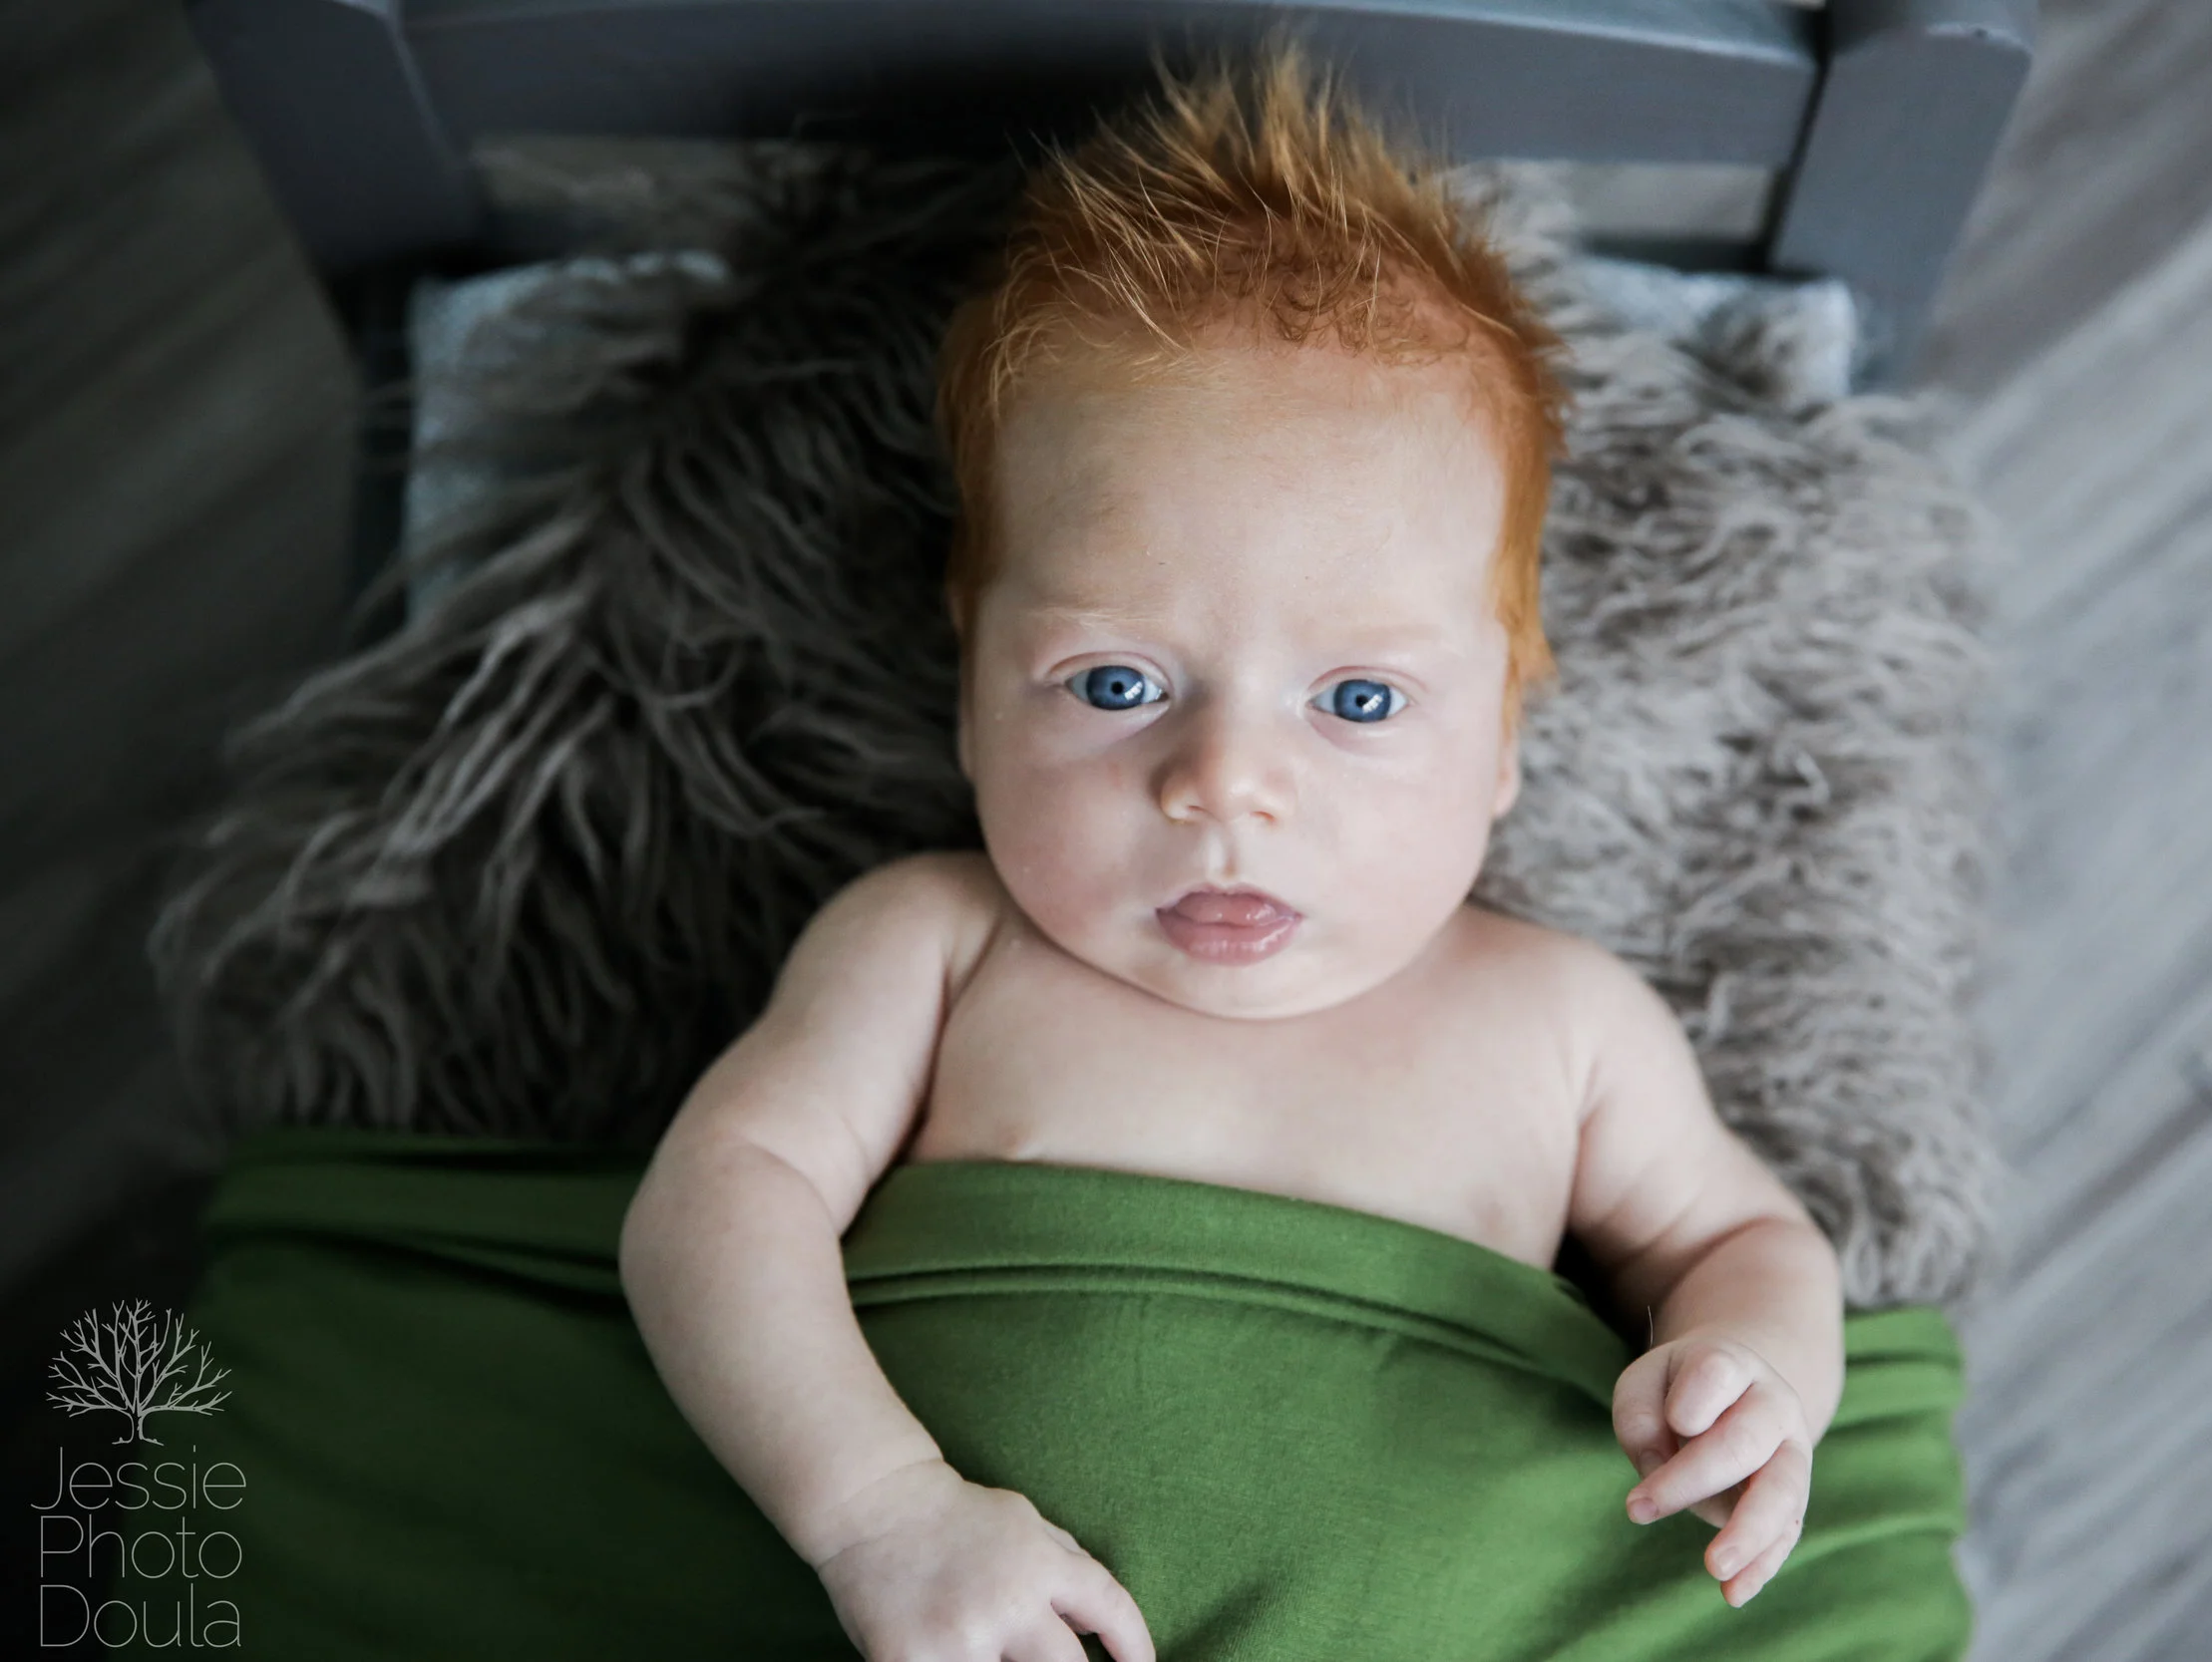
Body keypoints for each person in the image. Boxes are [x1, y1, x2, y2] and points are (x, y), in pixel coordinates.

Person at [618, 42, 1845, 1662]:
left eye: (1358, 697)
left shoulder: (1564, 1021)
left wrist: (1752, 1372)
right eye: (1114, 682)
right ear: (974, 689)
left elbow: (1743, 1239)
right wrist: (879, 1510)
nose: (1224, 786)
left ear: (1503, 739)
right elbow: (718, 1202)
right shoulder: (936, 943)